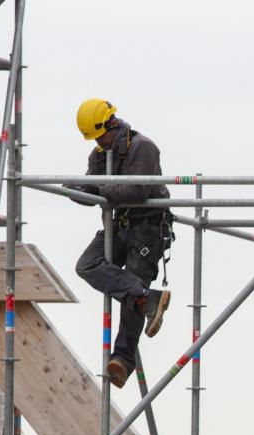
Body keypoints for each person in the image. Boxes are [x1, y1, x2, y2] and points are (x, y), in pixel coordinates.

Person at [71, 99, 172, 389]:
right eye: (95, 139)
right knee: (88, 265)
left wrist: (98, 188)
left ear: (112, 124)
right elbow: (89, 189)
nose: (100, 143)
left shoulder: (143, 148)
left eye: (101, 136)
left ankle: (122, 361)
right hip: (120, 223)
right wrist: (77, 189)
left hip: (147, 227)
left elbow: (136, 190)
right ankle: (146, 295)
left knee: (132, 296)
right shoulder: (100, 154)